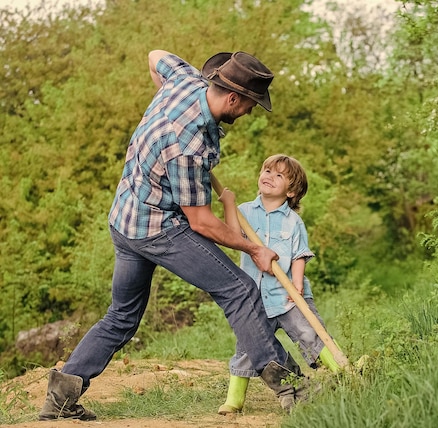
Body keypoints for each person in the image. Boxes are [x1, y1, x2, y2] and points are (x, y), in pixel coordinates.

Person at [39, 50, 310, 421]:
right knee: (240, 289)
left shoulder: (183, 81)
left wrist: (161, 113)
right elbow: (201, 222)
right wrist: (254, 248)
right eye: (250, 104)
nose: (249, 113)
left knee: (121, 316)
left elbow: (153, 56)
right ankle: (292, 388)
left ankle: (60, 400)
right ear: (233, 98)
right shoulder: (189, 146)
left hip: (124, 219)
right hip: (158, 230)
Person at [216, 154, 341, 415]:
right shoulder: (246, 212)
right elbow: (230, 234)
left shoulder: (293, 222)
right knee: (247, 347)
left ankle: (341, 370)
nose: (269, 176)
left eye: (278, 175)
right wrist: (229, 203)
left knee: (309, 333)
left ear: (292, 191)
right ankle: (234, 399)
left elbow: (299, 255)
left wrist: (295, 287)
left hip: (286, 295)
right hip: (254, 299)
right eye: (267, 170)